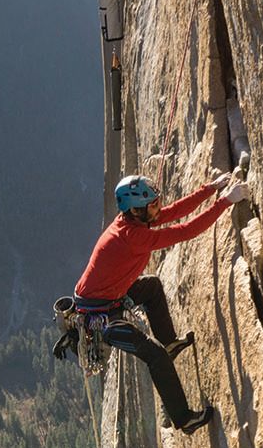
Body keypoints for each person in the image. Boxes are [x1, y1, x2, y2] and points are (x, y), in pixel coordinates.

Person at [71, 165, 250, 432]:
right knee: (154, 356)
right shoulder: (132, 236)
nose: (159, 207)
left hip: (109, 298)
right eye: (153, 204)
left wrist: (211, 189)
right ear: (136, 209)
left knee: (151, 287)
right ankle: (184, 419)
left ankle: (170, 343)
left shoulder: (133, 221)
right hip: (100, 319)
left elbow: (173, 212)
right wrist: (225, 202)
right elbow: (185, 231)